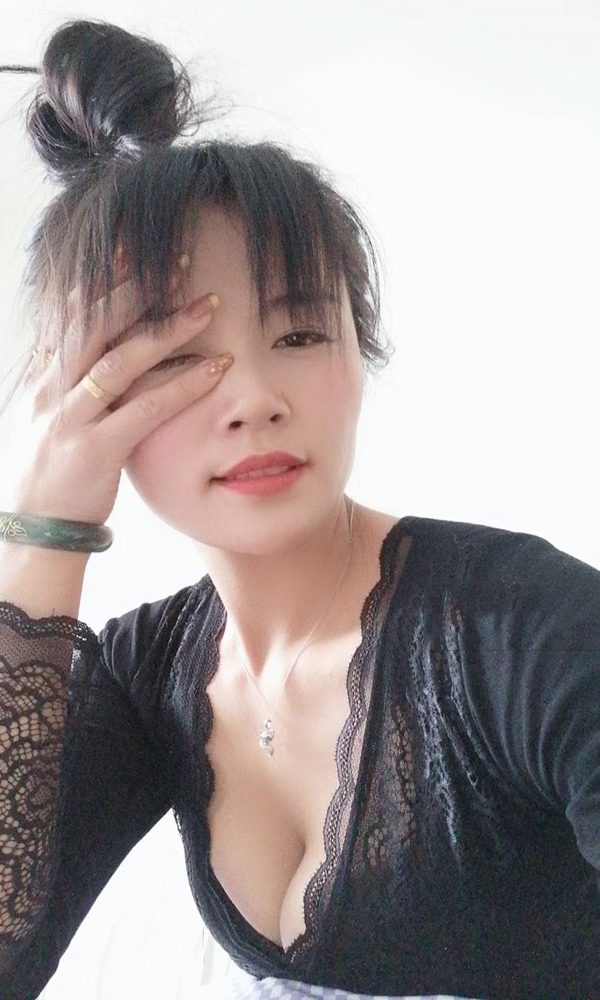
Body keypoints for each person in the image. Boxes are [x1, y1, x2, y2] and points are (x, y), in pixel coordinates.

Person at [0, 17, 599, 1000]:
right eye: (175, 357)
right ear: (82, 405)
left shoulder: (524, 631)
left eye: (300, 334)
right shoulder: (148, 673)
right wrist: (41, 529)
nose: (254, 399)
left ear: (358, 352)